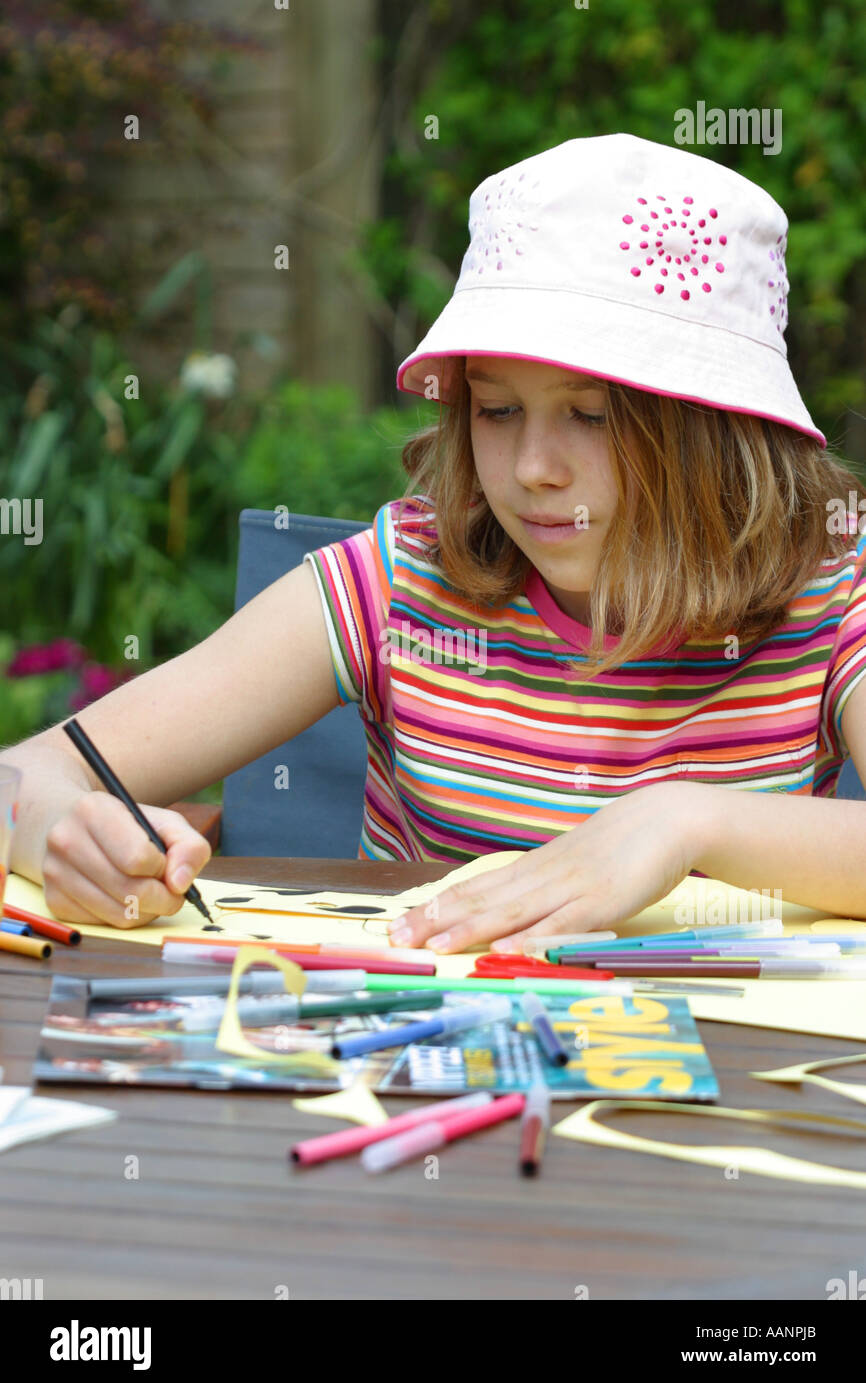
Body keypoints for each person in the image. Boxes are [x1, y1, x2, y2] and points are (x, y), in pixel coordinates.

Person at [5, 133, 866, 952]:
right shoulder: (400, 582)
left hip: (714, 1086)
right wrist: (61, 831)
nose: (532, 468)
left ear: (719, 434)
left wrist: (684, 819)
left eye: (592, 416)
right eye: (496, 409)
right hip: (411, 1065)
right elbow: (25, 775)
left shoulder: (829, 599)